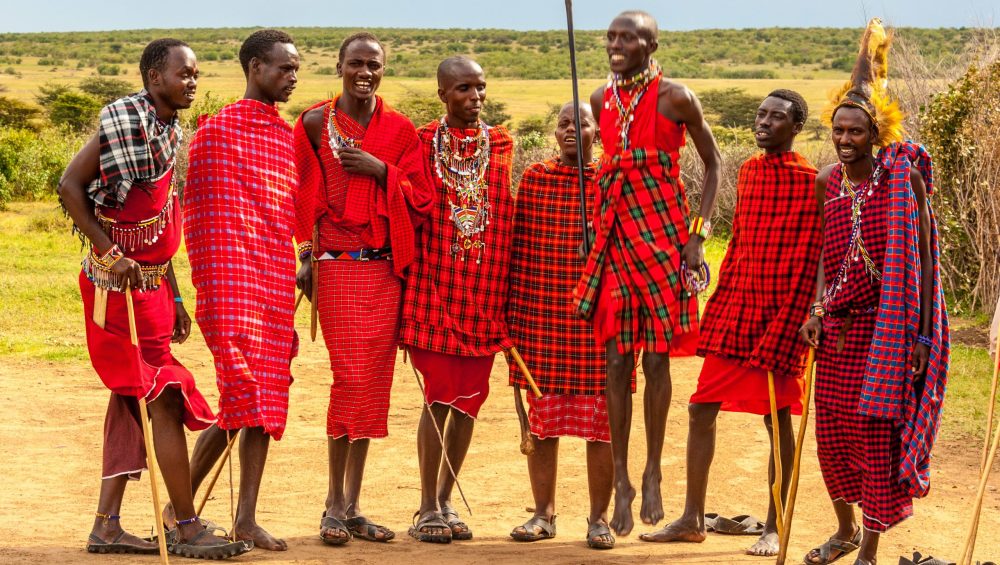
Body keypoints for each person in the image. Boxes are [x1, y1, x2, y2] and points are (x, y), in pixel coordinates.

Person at [58, 38, 250, 560]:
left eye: (196, 74)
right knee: (162, 393)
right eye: (182, 74)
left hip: (153, 290)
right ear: (153, 78)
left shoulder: (168, 132)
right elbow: (70, 186)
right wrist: (109, 249)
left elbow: (163, 220)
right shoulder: (121, 127)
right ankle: (185, 525)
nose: (192, 81)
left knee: (129, 402)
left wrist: (177, 293)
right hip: (113, 290)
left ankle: (107, 526)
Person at [642, 90, 821, 556]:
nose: (764, 122)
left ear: (796, 127)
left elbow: (813, 254)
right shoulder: (750, 171)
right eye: (761, 114)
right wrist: (719, 294)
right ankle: (691, 519)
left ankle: (776, 525)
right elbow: (740, 238)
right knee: (701, 407)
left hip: (781, 312)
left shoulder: (811, 180)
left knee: (776, 419)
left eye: (777, 117)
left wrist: (803, 315)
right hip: (737, 303)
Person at [799, 19, 949, 565]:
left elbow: (926, 260)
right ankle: (843, 532)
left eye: (855, 131)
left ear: (876, 133)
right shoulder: (826, 184)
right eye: (837, 130)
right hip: (839, 330)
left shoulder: (901, 178)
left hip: (888, 331)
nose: (843, 140)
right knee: (833, 438)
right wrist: (816, 307)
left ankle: (870, 549)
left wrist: (921, 335)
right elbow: (824, 255)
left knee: (873, 441)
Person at [572, 10, 721, 536]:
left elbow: (713, 164)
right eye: (611, 36)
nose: (616, 44)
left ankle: (653, 470)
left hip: (663, 237)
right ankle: (621, 477)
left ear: (650, 44)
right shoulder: (598, 100)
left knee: (657, 359)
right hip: (615, 236)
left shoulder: (676, 97)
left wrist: (697, 237)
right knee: (616, 359)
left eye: (627, 37)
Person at [293, 31, 435, 545]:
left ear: (383, 69)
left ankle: (353, 507)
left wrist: (382, 172)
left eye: (373, 64)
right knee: (348, 380)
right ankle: (332, 504)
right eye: (356, 62)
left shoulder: (399, 130)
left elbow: (423, 198)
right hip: (336, 267)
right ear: (338, 65)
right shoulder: (313, 122)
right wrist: (305, 256)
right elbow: (301, 195)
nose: (365, 72)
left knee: (374, 386)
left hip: (384, 270)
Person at [181, 29, 300, 552]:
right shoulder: (216, 131)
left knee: (265, 398)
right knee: (243, 395)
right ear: (254, 67)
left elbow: (286, 209)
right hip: (228, 279)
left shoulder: (283, 134)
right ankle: (179, 510)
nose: (292, 76)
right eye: (282, 68)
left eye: (296, 68)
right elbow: (198, 215)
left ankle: (245, 519)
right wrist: (208, 280)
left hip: (272, 278)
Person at [400, 55, 515, 543]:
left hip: (487, 292)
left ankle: (447, 499)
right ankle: (426, 506)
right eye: (464, 89)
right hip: (433, 289)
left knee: (469, 402)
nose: (475, 97)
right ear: (443, 93)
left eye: (481, 88)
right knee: (438, 398)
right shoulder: (422, 143)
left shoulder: (503, 145)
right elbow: (405, 200)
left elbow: (509, 213)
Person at [506, 102, 616, 549]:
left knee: (601, 425)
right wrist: (509, 315)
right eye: (564, 124)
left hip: (598, 322)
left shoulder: (612, 181)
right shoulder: (536, 179)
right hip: (541, 314)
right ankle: (543, 514)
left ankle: (599, 519)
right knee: (543, 423)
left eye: (582, 123)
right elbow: (517, 246)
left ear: (598, 132)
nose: (571, 130)